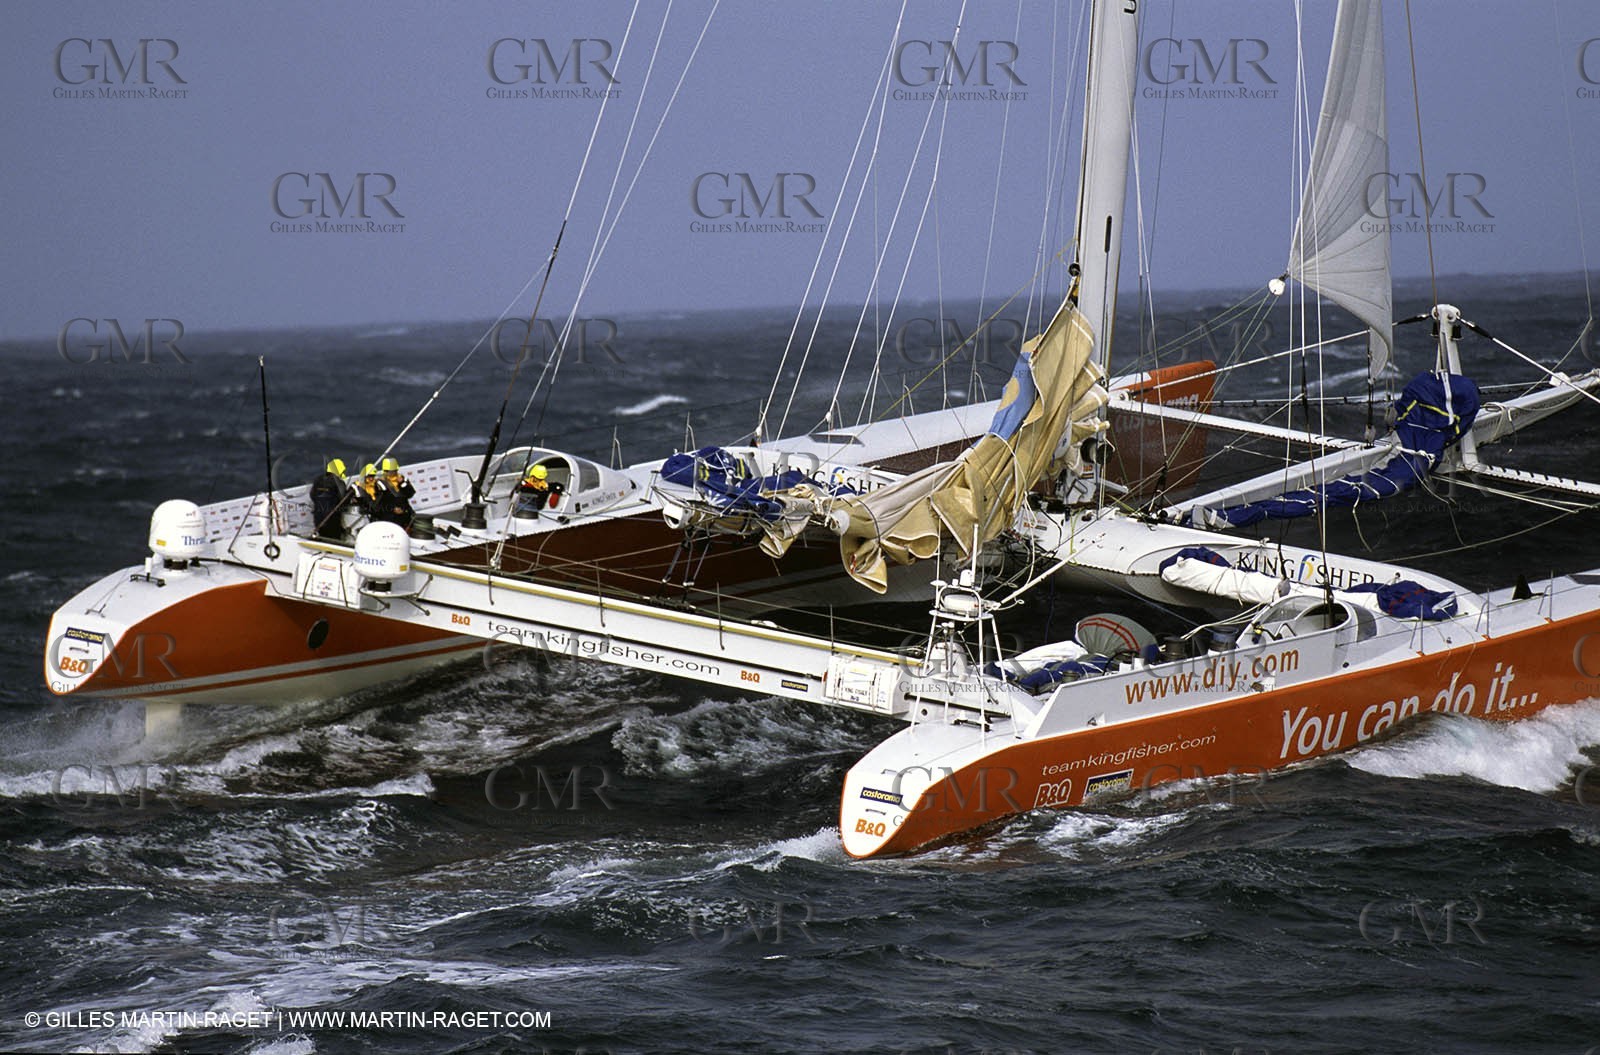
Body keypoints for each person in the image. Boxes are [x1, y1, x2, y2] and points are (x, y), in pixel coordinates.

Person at [309, 457, 353, 540]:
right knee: (334, 540)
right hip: (332, 519)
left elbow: (312, 495)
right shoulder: (339, 483)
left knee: (323, 537)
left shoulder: (318, 480)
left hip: (318, 518)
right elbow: (344, 502)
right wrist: (351, 492)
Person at [372, 455, 415, 528]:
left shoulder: (402, 479)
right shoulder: (379, 483)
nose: (393, 473)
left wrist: (402, 483)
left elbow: (410, 493)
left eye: (395, 471)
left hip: (405, 513)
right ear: (385, 471)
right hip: (390, 517)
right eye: (390, 472)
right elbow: (378, 504)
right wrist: (392, 509)